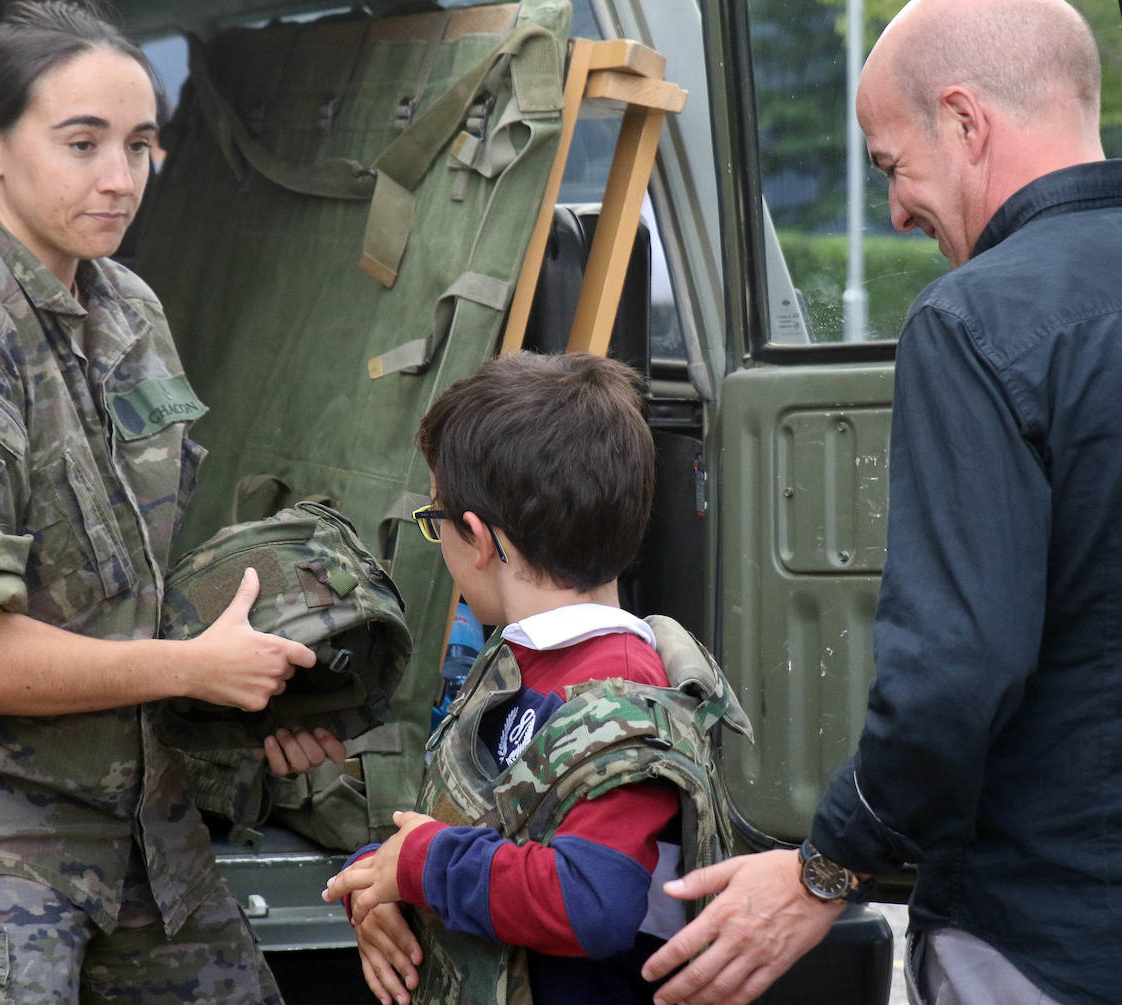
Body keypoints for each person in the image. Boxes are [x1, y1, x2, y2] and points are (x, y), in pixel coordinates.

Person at [0, 2, 344, 1001]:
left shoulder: (124, 308)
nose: (120, 177)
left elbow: (147, 569)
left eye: (140, 144)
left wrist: (258, 687)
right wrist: (196, 668)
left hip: (143, 811)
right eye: (82, 141)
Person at [640, 1, 1121, 1003]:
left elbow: (958, 670)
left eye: (892, 165)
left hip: (1046, 936)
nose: (896, 213)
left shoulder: (975, 320)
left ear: (965, 121)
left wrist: (830, 864)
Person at [324, 352, 701, 1005]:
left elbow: (593, 900)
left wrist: (420, 866)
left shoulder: (617, 692)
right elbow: (465, 825)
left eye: (433, 519)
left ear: (475, 537)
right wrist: (381, 881)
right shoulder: (514, 662)